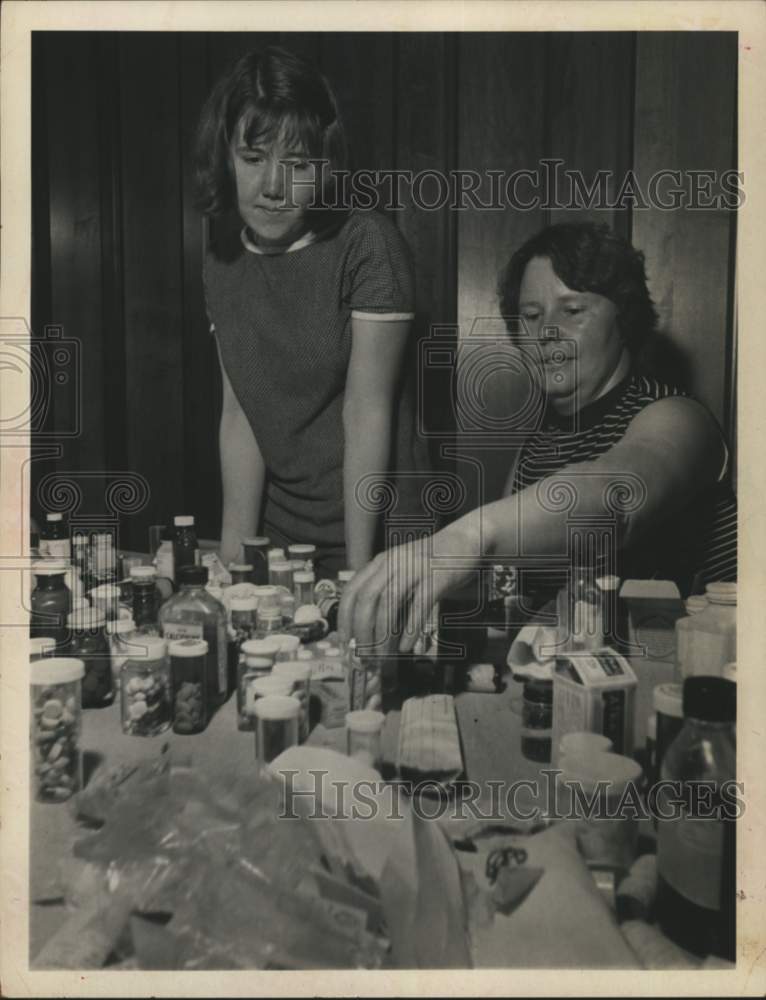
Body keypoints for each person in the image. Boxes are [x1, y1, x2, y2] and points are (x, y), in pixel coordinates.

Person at [339, 222, 737, 652]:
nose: (546, 333)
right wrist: (408, 592)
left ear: (624, 317)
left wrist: (463, 538)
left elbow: (617, 498)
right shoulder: (537, 450)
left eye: (572, 311)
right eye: (531, 316)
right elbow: (512, 584)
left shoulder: (678, 416)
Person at [195, 46, 428, 577]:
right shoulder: (221, 262)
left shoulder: (368, 242)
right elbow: (241, 417)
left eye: (297, 164)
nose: (274, 187)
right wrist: (236, 555)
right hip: (283, 541)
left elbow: (367, 412)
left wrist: (360, 571)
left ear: (324, 166)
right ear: (224, 158)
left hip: (382, 536)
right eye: (253, 159)